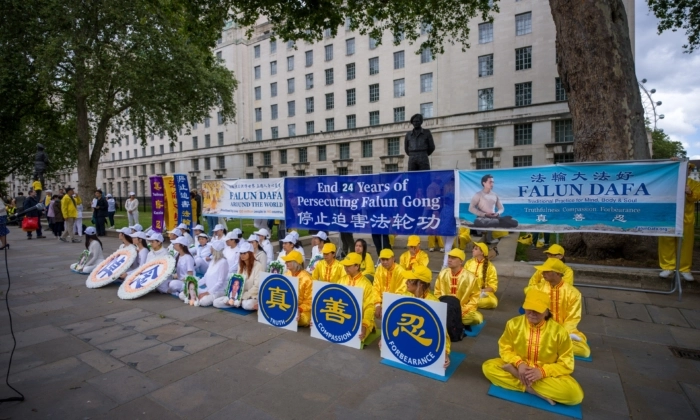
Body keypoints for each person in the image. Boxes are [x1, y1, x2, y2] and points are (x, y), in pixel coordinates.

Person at [482, 289, 584, 406]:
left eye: (537, 310)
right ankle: (532, 389)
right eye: (529, 308)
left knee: (575, 395)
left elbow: (567, 364)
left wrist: (542, 372)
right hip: (519, 366)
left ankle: (519, 380)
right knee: (488, 367)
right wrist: (519, 363)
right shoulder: (513, 324)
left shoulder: (559, 332)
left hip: (544, 376)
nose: (532, 313)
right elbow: (505, 348)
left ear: (547, 312)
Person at [530, 258, 590, 358]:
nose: (543, 273)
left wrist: (562, 334)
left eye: (547, 271)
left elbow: (573, 319)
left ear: (558, 273)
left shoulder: (573, 293)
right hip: (542, 329)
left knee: (584, 351)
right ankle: (554, 347)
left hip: (565, 331)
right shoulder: (538, 289)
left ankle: (549, 347)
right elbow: (533, 313)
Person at [401, 265, 450, 368]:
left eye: (410, 280)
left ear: (420, 284)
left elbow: (442, 333)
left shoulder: (434, 303)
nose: (406, 282)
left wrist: (445, 353)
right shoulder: (406, 296)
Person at [659, 166, 700, 281]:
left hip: (686, 219)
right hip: (668, 217)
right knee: (666, 241)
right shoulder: (668, 181)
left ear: (689, 171)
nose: (685, 170)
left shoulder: (694, 183)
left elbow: (697, 197)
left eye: (688, 169)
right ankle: (667, 267)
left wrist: (690, 192)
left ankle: (685, 269)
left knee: (686, 244)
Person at [434, 249, 483, 328]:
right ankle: (453, 321)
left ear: (461, 261)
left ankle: (449, 320)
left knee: (477, 318)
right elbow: (437, 293)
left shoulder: (471, 277)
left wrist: (462, 310)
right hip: (444, 308)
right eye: (449, 257)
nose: (449, 260)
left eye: (453, 258)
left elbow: (475, 298)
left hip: (462, 310)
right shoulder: (443, 273)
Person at [337, 253, 376, 342]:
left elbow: (370, 307)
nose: (345, 268)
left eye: (348, 266)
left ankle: (370, 327)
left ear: (357, 266)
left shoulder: (366, 284)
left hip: (360, 320)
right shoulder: (341, 280)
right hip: (342, 316)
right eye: (345, 265)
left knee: (358, 337)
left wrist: (364, 325)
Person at [189, 240, 229, 306]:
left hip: (218, 291)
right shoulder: (213, 260)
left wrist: (207, 293)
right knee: (187, 292)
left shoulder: (223, 262)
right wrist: (195, 285)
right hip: (208, 289)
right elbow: (205, 277)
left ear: (215, 249)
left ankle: (225, 299)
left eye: (211, 247)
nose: (210, 249)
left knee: (203, 302)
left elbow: (220, 282)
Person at [469, 174, 505, 244]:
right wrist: (484, 214)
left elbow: (501, 208)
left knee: (508, 220)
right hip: (482, 218)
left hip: (493, 217)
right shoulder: (478, 194)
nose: (492, 184)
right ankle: (487, 237)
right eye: (490, 182)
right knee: (479, 221)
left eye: (493, 182)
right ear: (484, 183)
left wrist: (497, 213)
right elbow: (471, 208)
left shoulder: (495, 195)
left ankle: (488, 235)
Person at [372, 249, 406, 319]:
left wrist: (386, 306)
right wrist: (377, 305)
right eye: (382, 259)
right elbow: (375, 287)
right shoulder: (379, 268)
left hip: (395, 305)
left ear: (393, 259)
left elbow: (401, 293)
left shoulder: (400, 271)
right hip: (379, 302)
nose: (384, 262)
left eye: (387, 259)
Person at [282, 250, 312, 327]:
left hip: (302, 308)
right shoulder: (286, 274)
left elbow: (309, 301)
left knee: (304, 320)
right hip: (286, 306)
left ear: (297, 263)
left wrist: (299, 309)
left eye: (288, 261)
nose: (286, 263)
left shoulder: (307, 278)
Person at [466, 243, 499, 309]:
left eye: (475, 249)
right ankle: (470, 300)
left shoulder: (490, 267)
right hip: (468, 291)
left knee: (492, 302)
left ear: (482, 252)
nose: (472, 250)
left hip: (482, 292)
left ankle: (469, 301)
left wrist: (482, 291)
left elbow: (493, 286)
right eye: (473, 248)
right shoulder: (468, 263)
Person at [237, 242, 265, 310]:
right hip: (241, 294)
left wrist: (244, 296)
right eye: (241, 253)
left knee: (246, 305)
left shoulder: (258, 266)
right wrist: (236, 295)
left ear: (250, 254)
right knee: (217, 302)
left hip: (253, 295)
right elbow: (237, 281)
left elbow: (257, 286)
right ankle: (238, 302)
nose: (242, 255)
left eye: (245, 253)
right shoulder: (240, 266)